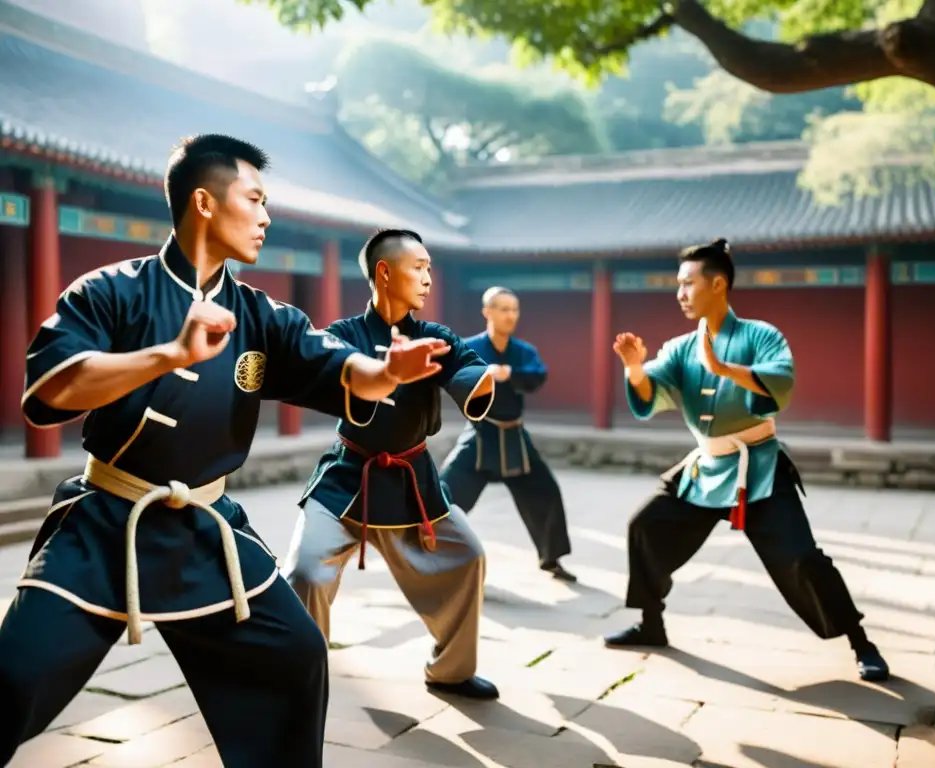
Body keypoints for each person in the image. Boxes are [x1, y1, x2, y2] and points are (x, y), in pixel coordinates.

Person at [0, 134, 450, 768]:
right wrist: (170, 354)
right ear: (205, 202)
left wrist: (387, 373)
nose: (267, 216)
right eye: (256, 198)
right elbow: (50, 391)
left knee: (294, 656)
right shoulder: (110, 292)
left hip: (207, 532)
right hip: (104, 523)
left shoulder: (263, 316)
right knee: (14, 678)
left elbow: (338, 366)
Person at [603, 238, 890, 683]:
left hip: (758, 467)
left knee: (802, 559)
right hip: (704, 469)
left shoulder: (761, 335)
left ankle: (860, 640)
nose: (680, 293)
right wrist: (635, 368)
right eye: (677, 285)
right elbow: (651, 389)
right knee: (646, 527)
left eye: (688, 284)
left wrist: (727, 370)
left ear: (718, 284)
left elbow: (782, 381)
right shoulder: (681, 346)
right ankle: (651, 624)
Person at [282, 228, 502, 701]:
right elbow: (328, 375)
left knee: (468, 556)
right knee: (304, 572)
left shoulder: (436, 337)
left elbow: (464, 368)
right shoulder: (343, 336)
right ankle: (296, 678)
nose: (427, 277)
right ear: (384, 273)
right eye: (418, 266)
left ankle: (451, 671)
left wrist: (481, 378)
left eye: (429, 268)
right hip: (348, 479)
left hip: (412, 483)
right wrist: (383, 374)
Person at [438, 286, 575, 582]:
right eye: (503, 309)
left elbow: (537, 376)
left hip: (514, 435)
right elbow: (451, 377)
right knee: (443, 493)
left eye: (514, 310)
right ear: (487, 312)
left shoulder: (523, 351)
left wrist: (509, 374)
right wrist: (481, 375)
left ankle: (551, 558)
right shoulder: (468, 347)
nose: (510, 315)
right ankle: (434, 556)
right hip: (479, 433)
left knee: (546, 491)